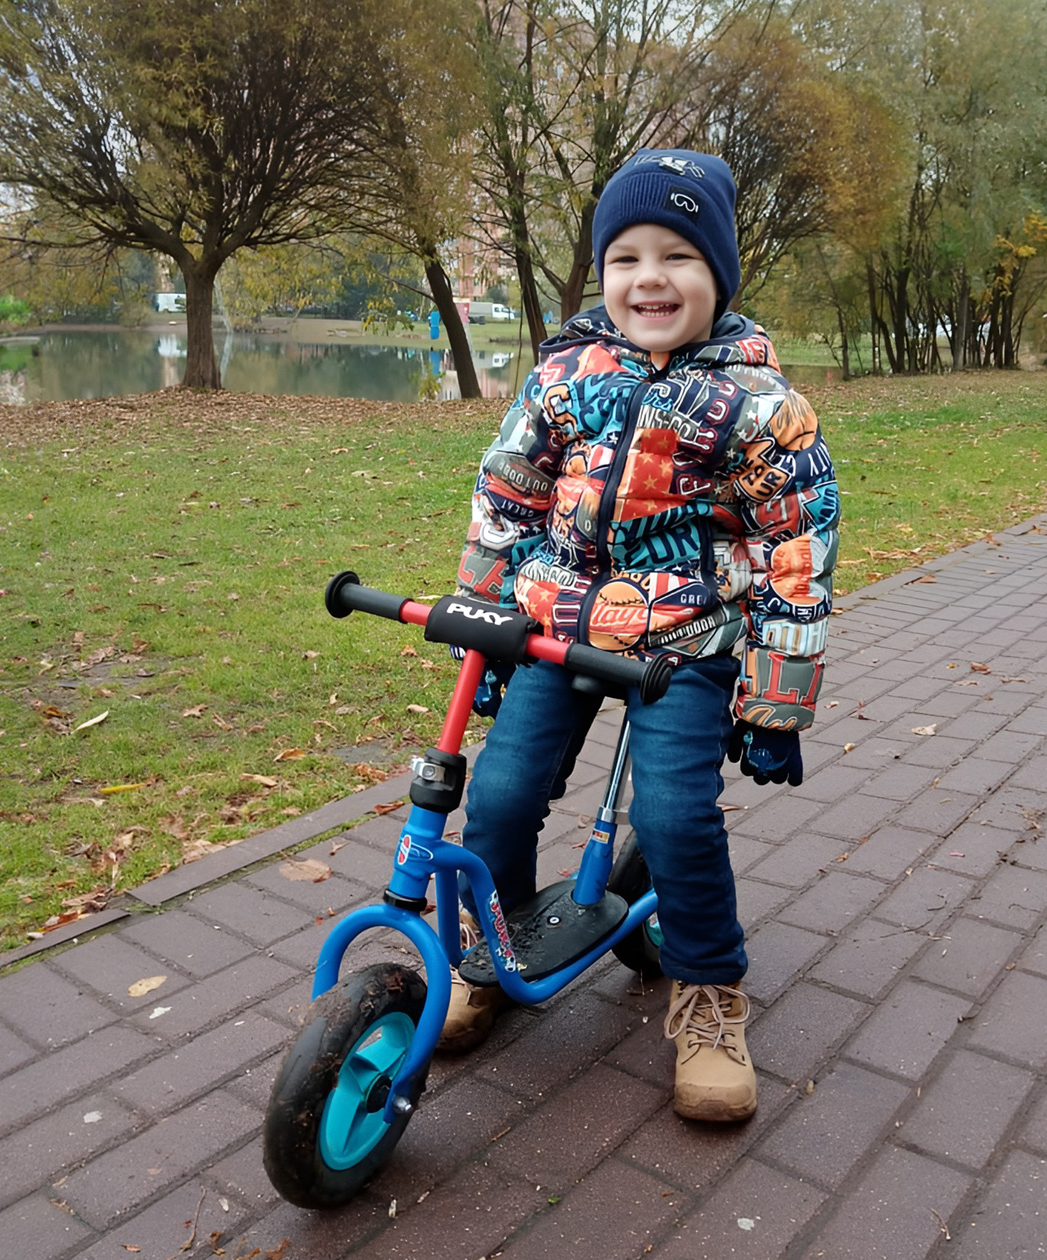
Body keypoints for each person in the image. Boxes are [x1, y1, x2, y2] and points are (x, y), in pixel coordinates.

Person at [442, 149, 839, 1123]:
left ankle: (707, 995)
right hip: (557, 624)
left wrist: (775, 700)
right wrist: (484, 633)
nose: (649, 278)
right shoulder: (564, 377)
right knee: (495, 796)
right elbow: (507, 498)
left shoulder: (759, 409)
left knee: (672, 821)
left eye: (677, 256)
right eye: (625, 257)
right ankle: (492, 954)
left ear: (720, 273)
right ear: (603, 272)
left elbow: (795, 548)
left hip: (685, 643)